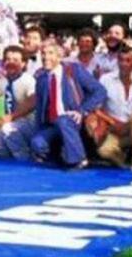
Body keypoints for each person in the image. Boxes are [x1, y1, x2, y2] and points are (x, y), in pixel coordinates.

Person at [30, 40, 107, 168]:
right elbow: (40, 107)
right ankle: (59, 156)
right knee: (37, 143)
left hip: (73, 119)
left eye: (50, 53)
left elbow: (100, 91)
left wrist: (82, 110)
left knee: (63, 121)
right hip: (52, 124)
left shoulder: (73, 70)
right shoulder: (41, 78)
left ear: (59, 57)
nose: (45, 57)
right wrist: (38, 131)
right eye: (43, 53)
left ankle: (79, 160)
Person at [95, 45, 132, 170]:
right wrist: (111, 122)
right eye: (121, 60)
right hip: (114, 128)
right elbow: (97, 107)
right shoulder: (105, 80)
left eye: (128, 60)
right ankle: (124, 163)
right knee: (104, 151)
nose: (123, 64)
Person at [0, 46, 37, 160]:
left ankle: (24, 157)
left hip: (28, 124)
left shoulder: (28, 80)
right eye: (8, 59)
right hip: (11, 123)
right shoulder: (5, 80)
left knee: (7, 128)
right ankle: (15, 151)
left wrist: (11, 117)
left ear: (23, 64)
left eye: (15, 60)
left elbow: (33, 101)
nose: (11, 63)